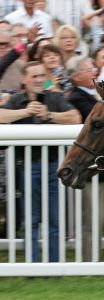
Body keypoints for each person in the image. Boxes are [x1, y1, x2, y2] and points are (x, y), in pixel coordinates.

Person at [0, 61, 82, 262]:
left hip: (54, 166)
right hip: (26, 166)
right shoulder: (16, 99)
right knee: (31, 219)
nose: (37, 80)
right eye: (33, 76)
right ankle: (32, 264)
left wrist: (49, 115)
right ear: (24, 80)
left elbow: (75, 117)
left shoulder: (54, 97)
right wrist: (26, 112)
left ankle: (54, 264)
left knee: (55, 219)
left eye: (40, 76)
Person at [67, 58, 104, 262]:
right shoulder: (76, 97)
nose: (94, 70)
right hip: (95, 171)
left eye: (93, 67)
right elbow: (102, 115)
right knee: (94, 219)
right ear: (76, 77)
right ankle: (89, 260)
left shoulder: (95, 96)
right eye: (88, 69)